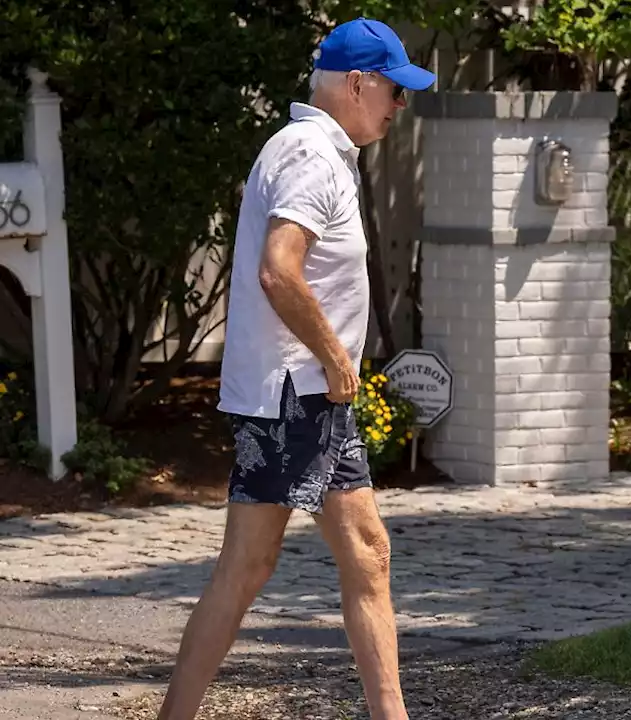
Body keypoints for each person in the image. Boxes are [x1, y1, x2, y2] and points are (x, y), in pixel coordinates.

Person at [156, 18, 435, 720]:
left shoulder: (310, 148)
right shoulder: (312, 156)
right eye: (394, 92)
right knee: (308, 559)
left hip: (295, 395)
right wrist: (337, 358)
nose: (399, 107)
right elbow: (279, 272)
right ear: (356, 83)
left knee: (328, 558)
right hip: (299, 395)